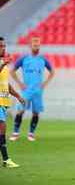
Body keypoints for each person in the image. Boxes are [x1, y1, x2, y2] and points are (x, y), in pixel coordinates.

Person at [10, 37, 55, 142]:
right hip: (26, 90)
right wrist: (20, 83)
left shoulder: (43, 59)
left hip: (38, 91)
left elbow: (52, 71)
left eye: (38, 45)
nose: (37, 47)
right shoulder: (23, 58)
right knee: (21, 110)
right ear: (30, 46)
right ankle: (15, 132)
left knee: (36, 112)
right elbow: (12, 71)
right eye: (35, 45)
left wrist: (45, 83)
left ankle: (31, 133)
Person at [0, 37, 25, 168]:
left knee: (2, 130)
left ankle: (6, 160)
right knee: (2, 129)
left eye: (4, 46)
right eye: (0, 46)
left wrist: (18, 96)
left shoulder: (3, 66)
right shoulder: (2, 64)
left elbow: (6, 84)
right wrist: (3, 64)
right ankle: (6, 159)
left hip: (3, 102)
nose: (3, 48)